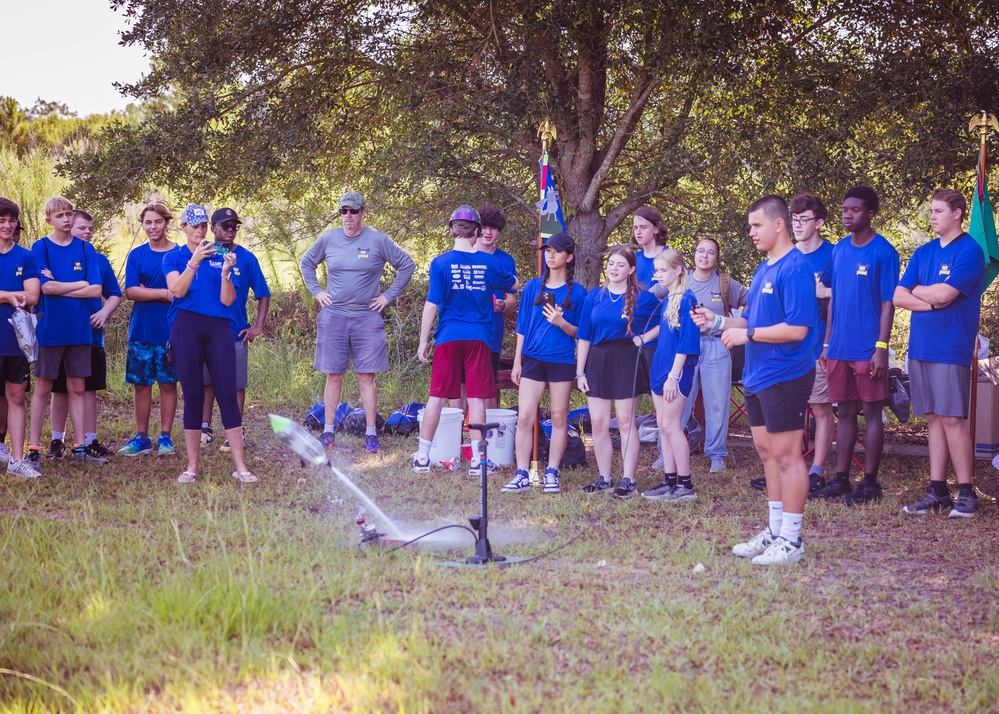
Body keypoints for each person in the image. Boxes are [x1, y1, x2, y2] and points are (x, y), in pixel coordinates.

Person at [695, 195, 816, 565]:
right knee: (767, 454)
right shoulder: (765, 267)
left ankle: (792, 541)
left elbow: (797, 329)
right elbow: (753, 322)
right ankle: (775, 530)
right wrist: (718, 323)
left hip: (786, 374)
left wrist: (748, 337)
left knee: (787, 455)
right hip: (758, 375)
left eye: (756, 225)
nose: (751, 232)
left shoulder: (795, 268)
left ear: (779, 225)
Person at [300, 191, 416, 452]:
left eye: (353, 211)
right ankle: (328, 433)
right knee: (334, 376)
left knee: (366, 377)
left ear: (363, 212)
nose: (348, 216)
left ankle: (371, 434)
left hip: (366, 318)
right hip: (334, 317)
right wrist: (318, 291)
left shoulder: (377, 239)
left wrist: (387, 296)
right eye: (344, 211)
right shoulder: (329, 238)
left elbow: (407, 265)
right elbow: (307, 263)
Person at [896, 189, 984, 518]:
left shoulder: (970, 252)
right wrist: (931, 299)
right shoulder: (924, 252)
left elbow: (947, 293)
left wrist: (923, 293)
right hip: (921, 347)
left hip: (950, 346)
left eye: (938, 211)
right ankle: (937, 491)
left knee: (952, 418)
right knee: (933, 418)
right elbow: (898, 295)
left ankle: (966, 493)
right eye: (930, 211)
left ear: (958, 213)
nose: (932, 216)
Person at [413, 206, 517, 474]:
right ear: (477, 231)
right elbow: (513, 285)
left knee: (436, 396)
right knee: (477, 398)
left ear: (451, 229)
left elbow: (431, 305)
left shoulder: (440, 263)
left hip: (448, 336)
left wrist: (423, 340)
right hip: (480, 336)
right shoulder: (491, 263)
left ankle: (423, 456)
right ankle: (478, 461)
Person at [812, 186, 899, 505]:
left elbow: (889, 302)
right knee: (844, 412)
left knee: (872, 412)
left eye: (855, 210)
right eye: (845, 209)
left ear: (870, 213)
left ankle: (871, 483)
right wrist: (826, 342)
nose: (848, 214)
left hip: (867, 348)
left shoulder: (884, 251)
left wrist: (881, 347)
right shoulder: (839, 250)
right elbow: (833, 298)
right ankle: (841, 479)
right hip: (838, 347)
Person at [163, 204, 253, 483]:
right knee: (193, 396)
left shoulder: (220, 254)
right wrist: (194, 262)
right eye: (195, 226)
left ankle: (240, 466)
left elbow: (228, 300)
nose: (200, 230)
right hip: (186, 327)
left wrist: (226, 272)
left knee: (227, 393)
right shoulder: (173, 257)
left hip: (219, 328)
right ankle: (192, 467)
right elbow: (176, 290)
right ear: (184, 228)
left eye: (203, 225)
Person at [502, 233, 586, 494]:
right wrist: (517, 362)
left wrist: (561, 322)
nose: (550, 255)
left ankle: (552, 472)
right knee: (525, 416)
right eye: (547, 250)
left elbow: (582, 333)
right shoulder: (531, 288)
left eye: (557, 251)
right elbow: (522, 328)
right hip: (533, 360)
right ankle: (522, 473)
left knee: (560, 417)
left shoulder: (578, 293)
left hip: (561, 361)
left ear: (569, 257)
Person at [575, 246, 660, 498]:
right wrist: (580, 372)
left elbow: (665, 320)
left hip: (626, 358)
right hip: (597, 360)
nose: (614, 269)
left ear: (631, 269)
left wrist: (643, 338)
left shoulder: (643, 297)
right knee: (599, 423)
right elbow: (583, 335)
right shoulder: (594, 297)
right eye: (611, 263)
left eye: (620, 265)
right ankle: (604, 478)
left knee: (625, 422)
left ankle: (629, 480)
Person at [28, 196, 106, 468]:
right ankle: (34, 448)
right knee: (42, 387)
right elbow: (45, 289)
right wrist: (79, 283)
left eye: (69, 214)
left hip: (79, 329)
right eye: (60, 215)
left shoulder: (85, 248)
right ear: (49, 219)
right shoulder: (41, 247)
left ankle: (80, 447)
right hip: (50, 329)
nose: (66, 219)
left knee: (77, 386)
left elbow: (97, 289)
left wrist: (61, 284)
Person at [48, 210, 121, 459]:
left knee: (88, 388)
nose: (86, 232)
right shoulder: (53, 254)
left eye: (90, 228)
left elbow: (113, 293)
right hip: (60, 332)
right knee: (59, 389)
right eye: (82, 228)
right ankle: (57, 440)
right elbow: (46, 289)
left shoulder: (97, 258)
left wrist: (104, 313)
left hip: (91, 336)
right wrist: (81, 289)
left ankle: (89, 440)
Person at [200, 208, 270, 452]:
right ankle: (204, 429)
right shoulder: (203, 254)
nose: (230, 231)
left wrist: (258, 326)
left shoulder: (247, 258)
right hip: (205, 331)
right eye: (225, 226)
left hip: (235, 333)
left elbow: (263, 293)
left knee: (235, 385)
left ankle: (235, 430)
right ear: (213, 228)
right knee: (205, 384)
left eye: (234, 226)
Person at [679, 237, 749, 473]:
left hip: (717, 346)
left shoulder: (725, 283)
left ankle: (717, 455)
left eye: (710, 252)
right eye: (700, 250)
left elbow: (752, 302)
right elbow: (655, 297)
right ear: (694, 254)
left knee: (717, 403)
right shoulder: (681, 280)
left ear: (716, 258)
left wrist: (735, 328)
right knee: (679, 402)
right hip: (685, 347)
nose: (705, 255)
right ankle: (667, 450)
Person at [119, 203, 180, 456]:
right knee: (141, 385)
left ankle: (165, 437)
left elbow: (183, 292)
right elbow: (131, 291)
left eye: (158, 222)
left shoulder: (178, 254)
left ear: (167, 223)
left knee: (168, 384)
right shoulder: (137, 255)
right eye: (148, 222)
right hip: (141, 330)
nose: (153, 227)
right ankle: (141, 437)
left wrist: (149, 292)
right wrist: (165, 292)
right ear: (142, 225)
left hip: (171, 330)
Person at [640, 249, 700, 502]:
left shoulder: (687, 299)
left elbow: (686, 342)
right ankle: (669, 480)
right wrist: (643, 338)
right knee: (663, 426)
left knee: (673, 426)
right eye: (656, 270)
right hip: (659, 369)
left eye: (663, 270)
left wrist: (674, 377)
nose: (658, 275)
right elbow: (663, 329)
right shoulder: (669, 298)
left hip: (675, 373)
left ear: (678, 270)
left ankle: (685, 485)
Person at [789, 193, 835, 492]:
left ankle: (817, 470)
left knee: (820, 409)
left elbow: (846, 300)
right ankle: (788, 467)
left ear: (819, 223)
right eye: (793, 219)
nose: (797, 225)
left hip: (819, 347)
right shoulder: (785, 255)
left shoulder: (834, 254)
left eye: (804, 219)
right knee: (790, 409)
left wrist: (827, 292)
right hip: (788, 349)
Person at [0, 197, 41, 478]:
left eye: (11, 220)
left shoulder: (26, 256)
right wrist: (6, 295)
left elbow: (33, 296)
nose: (7, 225)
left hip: (14, 339)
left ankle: (16, 460)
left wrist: (15, 297)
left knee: (16, 396)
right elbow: (17, 296)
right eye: (1, 220)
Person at [632, 206, 669, 289]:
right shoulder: (633, 259)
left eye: (643, 227)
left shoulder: (671, 257)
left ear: (655, 229)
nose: (638, 232)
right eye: (635, 228)